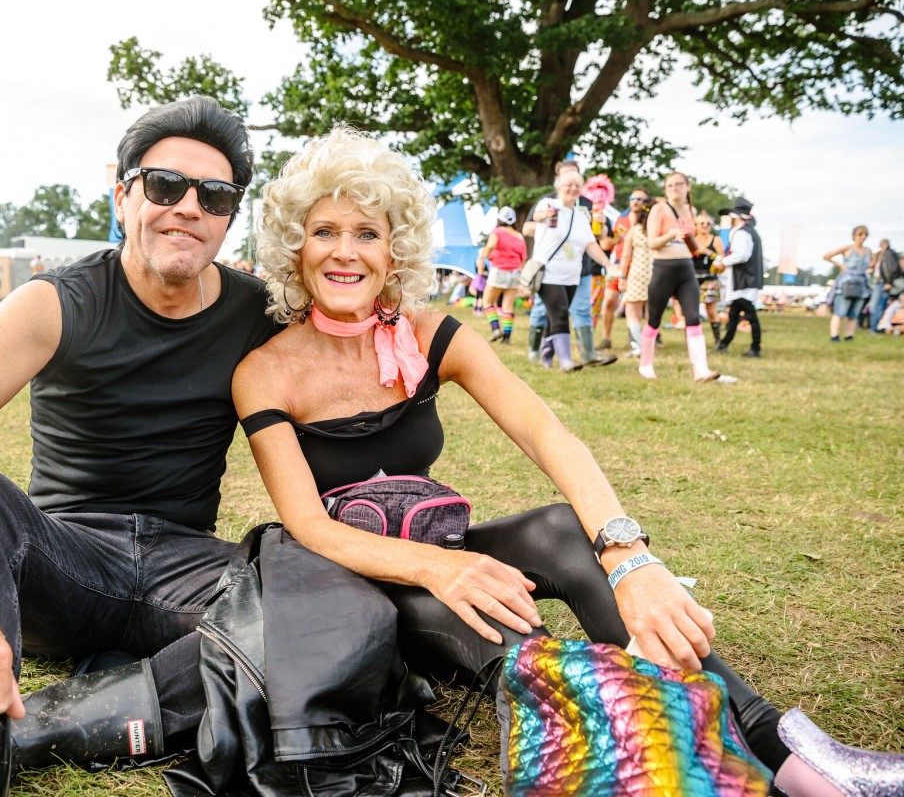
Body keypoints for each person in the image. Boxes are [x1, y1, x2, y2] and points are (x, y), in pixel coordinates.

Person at [234, 126, 903, 797]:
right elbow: (309, 525)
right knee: (484, 612)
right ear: (296, 245)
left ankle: (782, 751)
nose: (345, 252)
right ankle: (636, 750)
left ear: (395, 248)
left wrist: (632, 560)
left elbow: (548, 434)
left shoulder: (432, 334)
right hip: (353, 590)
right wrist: (444, 568)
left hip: (443, 548)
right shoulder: (264, 372)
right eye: (325, 232)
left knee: (560, 526)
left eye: (367, 233)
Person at [0, 96, 277, 795]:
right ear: (124, 193)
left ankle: (44, 722)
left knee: (310, 590)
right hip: (65, 562)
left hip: (186, 568)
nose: (188, 208)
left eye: (216, 194)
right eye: (164, 185)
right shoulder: (60, 300)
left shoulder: (256, 312)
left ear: (231, 214)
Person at [522, 169, 613, 371]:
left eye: (576, 185)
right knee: (561, 313)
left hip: (572, 277)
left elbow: (591, 245)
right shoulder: (549, 205)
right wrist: (545, 215)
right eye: (568, 185)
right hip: (548, 274)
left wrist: (608, 264)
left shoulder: (581, 217)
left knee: (554, 315)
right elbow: (535, 217)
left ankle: (546, 354)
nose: (572, 188)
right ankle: (566, 361)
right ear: (559, 187)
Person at [641, 172, 727, 381]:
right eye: (669, 185)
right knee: (654, 319)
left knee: (693, 317)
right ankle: (646, 364)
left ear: (688, 187)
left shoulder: (691, 210)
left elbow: (692, 242)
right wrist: (671, 235)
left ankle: (701, 369)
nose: (674, 188)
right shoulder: (658, 210)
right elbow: (651, 243)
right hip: (663, 268)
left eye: (678, 184)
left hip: (686, 269)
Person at [713, 197, 765, 358]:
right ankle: (724, 344)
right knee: (734, 315)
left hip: (744, 280)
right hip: (744, 280)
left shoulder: (743, 233)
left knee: (749, 315)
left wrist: (723, 262)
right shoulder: (749, 231)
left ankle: (755, 348)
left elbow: (741, 255)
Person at [602, 187, 651, 350]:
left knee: (643, 306)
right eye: (633, 198)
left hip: (640, 268)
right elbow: (606, 244)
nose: (635, 201)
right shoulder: (620, 219)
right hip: (619, 265)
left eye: (640, 199)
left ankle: (647, 340)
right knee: (609, 300)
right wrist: (617, 239)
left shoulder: (650, 221)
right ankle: (606, 337)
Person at [476, 206, 526, 343]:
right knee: (508, 307)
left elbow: (491, 245)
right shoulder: (519, 236)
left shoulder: (497, 232)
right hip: (515, 273)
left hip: (499, 271)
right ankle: (506, 338)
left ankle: (496, 329)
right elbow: (523, 258)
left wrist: (483, 256)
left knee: (487, 302)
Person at [617, 195, 655, 358]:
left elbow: (626, 256)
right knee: (652, 312)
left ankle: (637, 346)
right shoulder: (659, 230)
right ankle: (650, 344)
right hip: (656, 271)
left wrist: (622, 276)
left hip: (638, 272)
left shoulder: (635, 230)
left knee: (633, 311)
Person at [823, 225, 873, 342]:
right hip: (847, 283)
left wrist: (869, 269)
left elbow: (873, 263)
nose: (863, 237)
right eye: (860, 234)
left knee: (854, 313)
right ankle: (834, 336)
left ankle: (849, 336)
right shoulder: (847, 249)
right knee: (840, 311)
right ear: (854, 236)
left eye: (865, 234)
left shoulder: (868, 251)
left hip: (861, 284)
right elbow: (827, 256)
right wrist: (840, 265)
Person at [692, 211, 726, 344]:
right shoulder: (692, 239)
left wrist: (708, 252)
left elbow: (722, 259)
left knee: (711, 310)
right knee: (691, 310)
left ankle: (718, 341)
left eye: (708, 223)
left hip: (709, 277)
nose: (705, 226)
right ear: (696, 225)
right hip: (693, 277)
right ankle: (693, 339)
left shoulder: (715, 240)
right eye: (702, 223)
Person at [868, 238, 900, 333]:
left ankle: (874, 328)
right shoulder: (887, 254)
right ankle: (878, 327)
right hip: (881, 282)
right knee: (880, 305)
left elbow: (890, 269)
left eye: (881, 245)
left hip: (883, 283)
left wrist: (888, 282)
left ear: (885, 245)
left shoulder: (888, 254)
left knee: (876, 306)